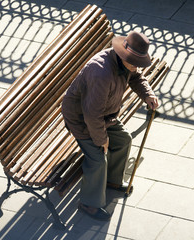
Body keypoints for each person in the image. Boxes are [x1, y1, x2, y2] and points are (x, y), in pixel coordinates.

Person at [61, 31, 159, 221]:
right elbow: (91, 115)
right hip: (81, 118)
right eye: (133, 61)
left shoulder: (127, 63)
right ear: (123, 53)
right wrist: (102, 140)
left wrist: (147, 94)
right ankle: (88, 203)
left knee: (123, 140)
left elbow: (136, 78)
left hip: (106, 114)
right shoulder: (101, 73)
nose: (135, 66)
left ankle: (111, 181)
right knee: (98, 159)